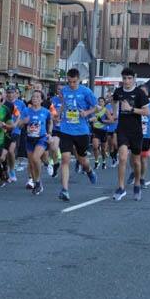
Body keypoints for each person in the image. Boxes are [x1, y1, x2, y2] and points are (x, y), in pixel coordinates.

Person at [56, 68, 99, 201]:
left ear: (79, 80)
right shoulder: (65, 90)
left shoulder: (86, 91)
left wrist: (86, 113)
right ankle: (65, 190)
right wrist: (58, 114)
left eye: (74, 82)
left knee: (82, 159)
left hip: (81, 131)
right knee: (65, 159)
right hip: (66, 129)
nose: (71, 84)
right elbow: (65, 103)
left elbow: (97, 107)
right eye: (69, 82)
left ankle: (89, 170)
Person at [109, 68, 150, 201]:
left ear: (133, 79)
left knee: (136, 162)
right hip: (122, 129)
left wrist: (131, 109)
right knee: (122, 158)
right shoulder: (119, 91)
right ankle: (121, 188)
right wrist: (115, 114)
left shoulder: (139, 93)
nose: (126, 81)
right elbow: (114, 101)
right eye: (124, 79)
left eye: (129, 79)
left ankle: (137, 183)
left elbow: (146, 112)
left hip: (136, 131)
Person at [18, 89, 53, 196]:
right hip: (29, 139)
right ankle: (37, 182)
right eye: (33, 97)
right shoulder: (26, 111)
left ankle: (38, 179)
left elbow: (50, 121)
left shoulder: (45, 111)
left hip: (41, 138)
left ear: (41, 100)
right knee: (31, 162)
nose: (35, 99)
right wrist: (23, 122)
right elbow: (19, 125)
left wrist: (49, 133)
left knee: (35, 158)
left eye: (38, 97)